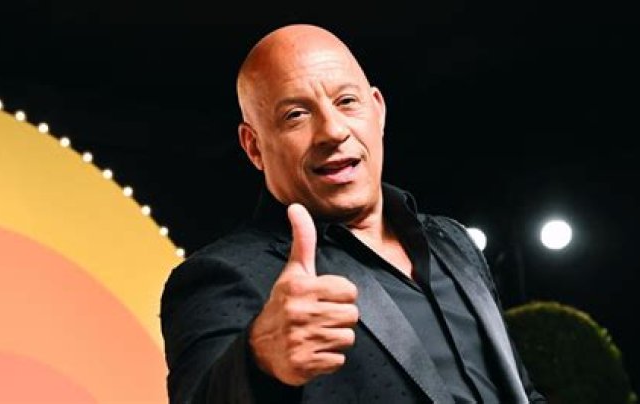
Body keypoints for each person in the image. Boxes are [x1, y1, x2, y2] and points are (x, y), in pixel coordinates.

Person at [160, 23, 546, 403]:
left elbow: (521, 392)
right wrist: (258, 361)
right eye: (296, 115)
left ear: (377, 110)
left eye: (346, 101)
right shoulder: (220, 275)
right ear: (254, 146)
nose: (332, 130)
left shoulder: (454, 241)